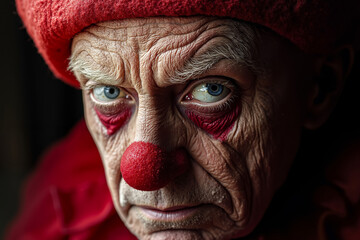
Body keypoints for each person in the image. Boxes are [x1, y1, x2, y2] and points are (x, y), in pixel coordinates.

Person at [6, 0, 360, 239]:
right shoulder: (58, 199)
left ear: (320, 87)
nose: (146, 173)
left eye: (210, 90)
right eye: (109, 93)